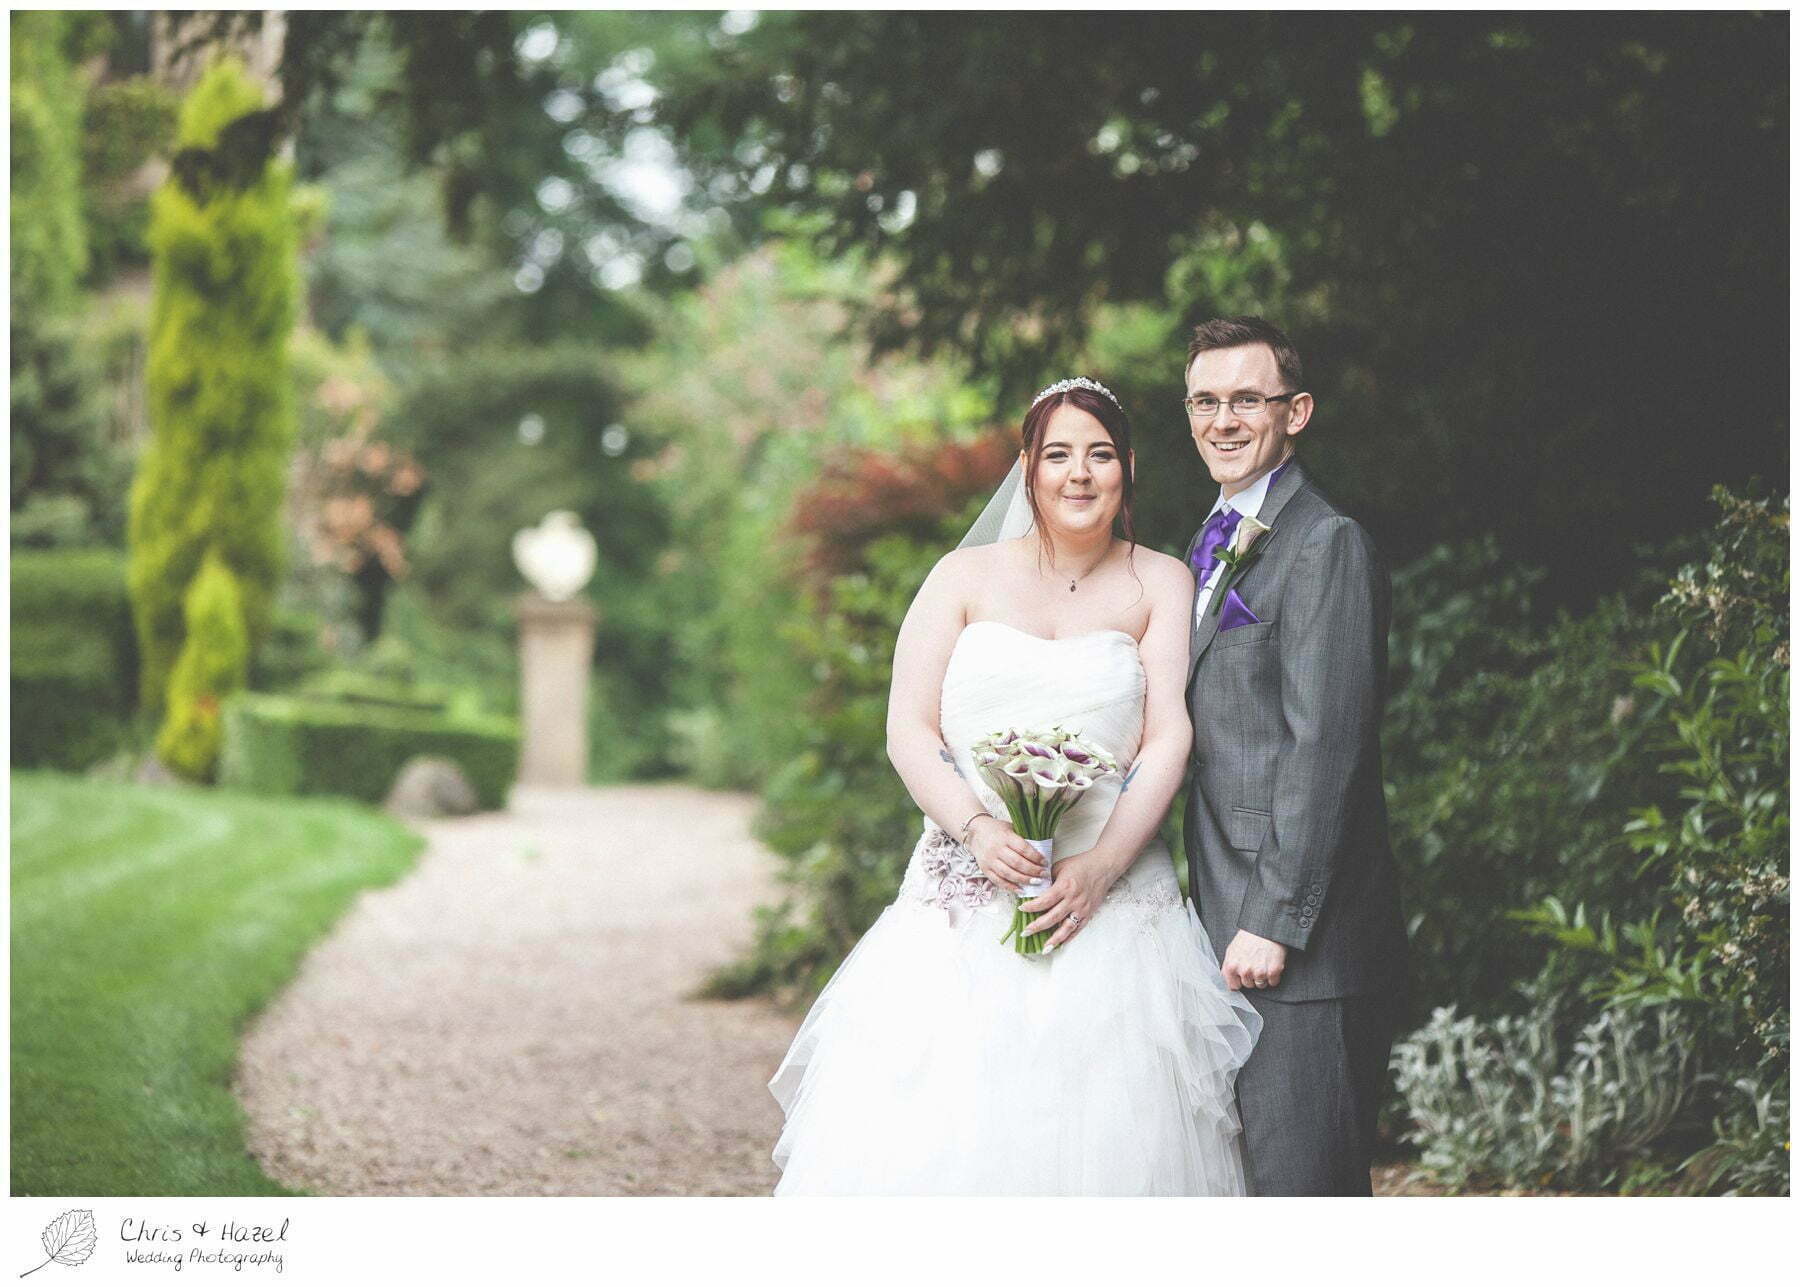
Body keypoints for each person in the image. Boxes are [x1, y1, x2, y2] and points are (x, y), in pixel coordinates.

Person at [769, 377, 1260, 1195]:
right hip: (963, 896)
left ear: (1127, 468)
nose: (1080, 473)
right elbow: (909, 728)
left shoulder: (1163, 581)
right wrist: (976, 827)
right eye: (1058, 454)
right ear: (1028, 468)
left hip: (1110, 904)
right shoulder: (960, 577)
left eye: (1100, 455)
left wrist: (1102, 865)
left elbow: (1168, 733)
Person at [1179, 316, 1409, 1196]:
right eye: (1205, 400)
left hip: (1298, 948)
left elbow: (1326, 750)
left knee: (1303, 1194)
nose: (1223, 420)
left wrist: (1274, 918)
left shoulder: (1324, 541)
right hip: (1218, 919)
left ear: (1296, 411)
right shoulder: (1211, 536)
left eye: (1247, 399)